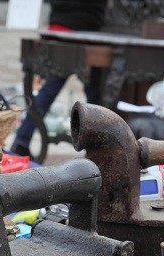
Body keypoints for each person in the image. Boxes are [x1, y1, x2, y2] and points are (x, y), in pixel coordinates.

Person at [10, 0, 107, 158]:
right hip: (87, 29)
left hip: (60, 27)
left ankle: (21, 140)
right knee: (94, 94)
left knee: (49, 90)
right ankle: (97, 149)